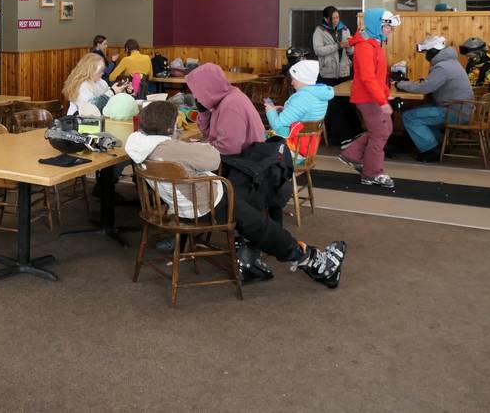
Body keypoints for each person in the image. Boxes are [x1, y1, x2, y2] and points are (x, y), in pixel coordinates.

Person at [125, 102, 346, 288]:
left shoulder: (137, 145)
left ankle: (250, 256)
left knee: (251, 195)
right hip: (206, 205)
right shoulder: (171, 149)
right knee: (259, 218)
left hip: (182, 203)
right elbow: (213, 158)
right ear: (170, 126)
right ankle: (312, 261)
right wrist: (189, 144)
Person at [338, 9, 400, 189]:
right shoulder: (365, 46)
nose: (390, 30)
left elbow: (379, 76)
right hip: (368, 98)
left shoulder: (374, 43)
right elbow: (367, 78)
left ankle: (352, 154)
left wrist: (386, 94)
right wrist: (382, 101)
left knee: (385, 129)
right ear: (376, 24)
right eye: (387, 26)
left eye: (390, 26)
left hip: (375, 96)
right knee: (380, 133)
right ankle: (372, 173)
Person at [397, 35, 474, 162]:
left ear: (433, 51)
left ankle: (431, 150)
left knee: (409, 117)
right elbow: (429, 85)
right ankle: (440, 145)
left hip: (454, 112)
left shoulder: (442, 67)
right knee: (418, 111)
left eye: (426, 52)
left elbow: (424, 88)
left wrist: (400, 84)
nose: (425, 55)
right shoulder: (451, 63)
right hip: (460, 109)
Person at [184, 63, 265, 155]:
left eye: (197, 91)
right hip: (241, 156)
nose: (195, 96)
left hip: (246, 160)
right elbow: (209, 135)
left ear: (208, 88)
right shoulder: (221, 98)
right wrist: (203, 112)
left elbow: (229, 148)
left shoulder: (231, 104)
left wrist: (201, 147)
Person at [312, 6, 360, 144]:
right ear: (326, 18)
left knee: (348, 104)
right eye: (333, 18)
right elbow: (318, 50)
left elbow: (351, 52)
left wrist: (350, 45)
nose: (336, 20)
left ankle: (358, 133)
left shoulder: (345, 29)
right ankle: (345, 137)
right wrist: (338, 45)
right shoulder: (319, 31)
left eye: (337, 17)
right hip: (327, 74)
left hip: (344, 72)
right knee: (333, 107)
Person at [264, 59, 334, 138]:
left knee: (261, 136)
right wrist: (285, 109)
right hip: (309, 140)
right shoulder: (319, 94)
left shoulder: (301, 98)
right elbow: (304, 114)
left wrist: (270, 111)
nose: (292, 83)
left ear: (302, 79)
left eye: (293, 79)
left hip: (291, 140)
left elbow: (278, 126)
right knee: (263, 134)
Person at [63, 53, 130, 115]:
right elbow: (91, 108)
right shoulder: (81, 85)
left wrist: (122, 90)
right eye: (100, 70)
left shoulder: (101, 82)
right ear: (90, 70)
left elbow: (110, 98)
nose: (103, 73)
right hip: (78, 121)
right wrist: (112, 91)